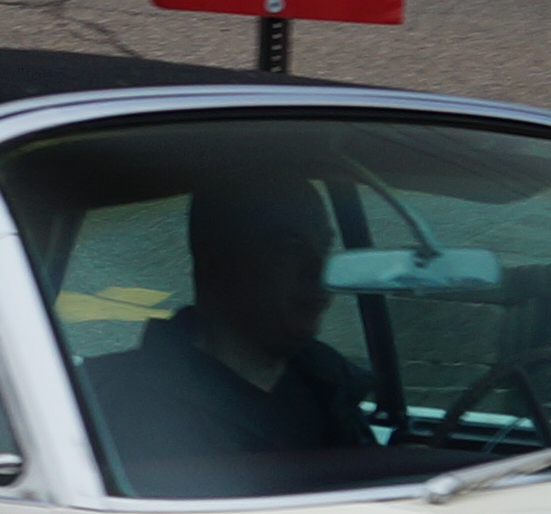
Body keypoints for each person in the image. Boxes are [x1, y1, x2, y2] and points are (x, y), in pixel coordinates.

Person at [78, 177, 384, 492]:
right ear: (217, 264)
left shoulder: (329, 389)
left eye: (325, 246)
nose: (319, 270)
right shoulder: (111, 412)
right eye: (290, 247)